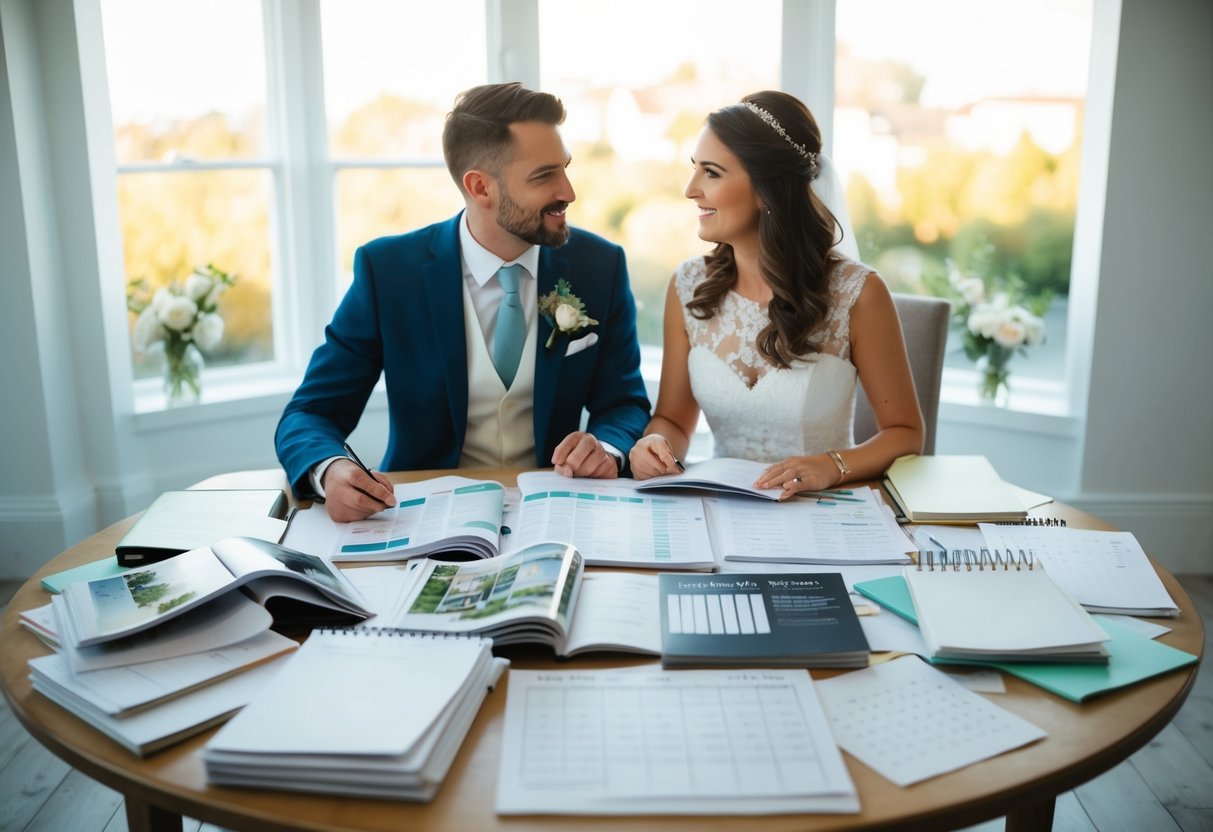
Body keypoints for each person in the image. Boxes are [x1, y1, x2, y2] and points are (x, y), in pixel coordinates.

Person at [276, 83, 650, 521]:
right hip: (419, 518)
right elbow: (310, 413)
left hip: (559, 512)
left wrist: (606, 449)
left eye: (565, 168)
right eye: (544, 175)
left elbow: (624, 402)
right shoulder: (389, 271)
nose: (568, 190)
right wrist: (330, 469)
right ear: (480, 187)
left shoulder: (599, 265)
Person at [628, 91, 923, 499]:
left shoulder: (858, 293)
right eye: (694, 169)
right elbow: (673, 421)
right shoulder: (687, 286)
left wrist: (831, 466)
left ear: (766, 190)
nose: (690, 189)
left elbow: (906, 434)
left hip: (826, 510)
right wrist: (653, 445)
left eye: (711, 173)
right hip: (719, 507)